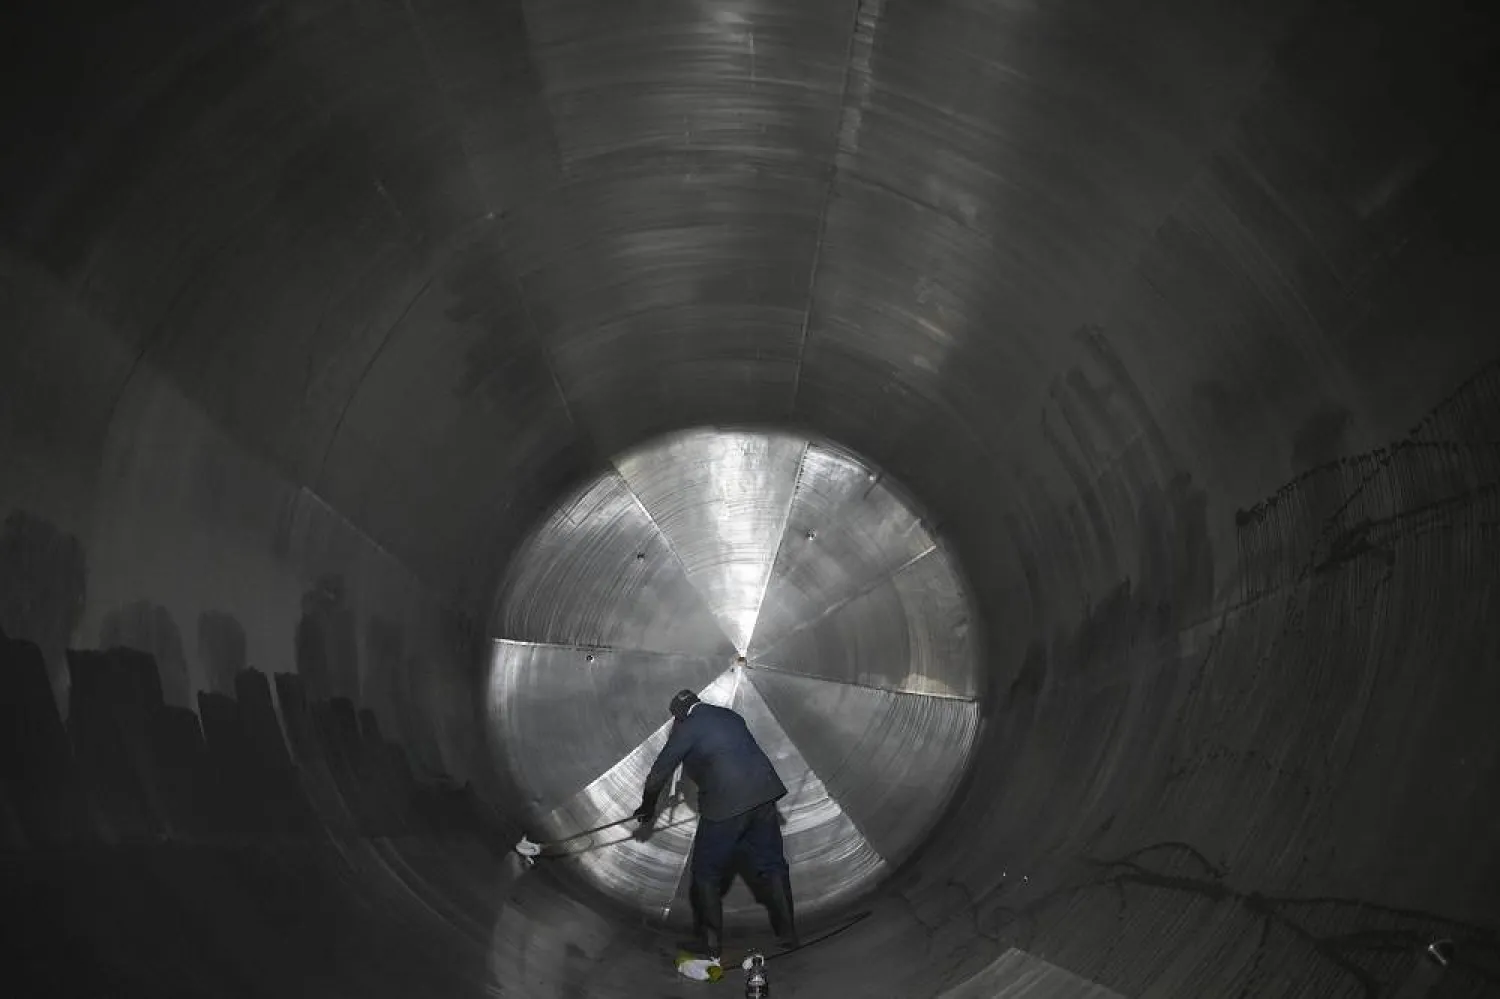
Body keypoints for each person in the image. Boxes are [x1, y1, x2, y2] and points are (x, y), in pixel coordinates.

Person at [635, 689, 798, 958]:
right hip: (764, 797)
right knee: (772, 864)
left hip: (726, 807)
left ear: (679, 715)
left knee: (706, 872)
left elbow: (658, 774)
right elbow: (730, 756)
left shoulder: (687, 727)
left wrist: (648, 806)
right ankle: (789, 934)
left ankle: (710, 945)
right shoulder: (729, 716)